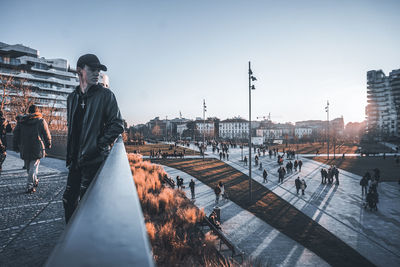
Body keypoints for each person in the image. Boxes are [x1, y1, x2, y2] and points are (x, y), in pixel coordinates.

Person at [63, 54, 124, 223]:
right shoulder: (72, 98)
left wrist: (98, 145)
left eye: (99, 70)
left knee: (89, 205)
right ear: (79, 70)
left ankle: (88, 244)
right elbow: (73, 129)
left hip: (94, 161)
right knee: (68, 201)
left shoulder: (106, 95)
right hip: (75, 161)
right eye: (92, 69)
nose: (97, 73)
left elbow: (118, 124)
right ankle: (70, 241)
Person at [13, 105, 51, 193]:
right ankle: (30, 186)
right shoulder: (41, 120)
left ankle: (34, 181)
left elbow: (16, 134)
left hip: (24, 146)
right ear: (37, 111)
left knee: (29, 167)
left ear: (28, 112)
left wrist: (15, 146)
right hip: (37, 147)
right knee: (33, 167)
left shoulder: (22, 121)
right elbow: (46, 133)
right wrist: (48, 143)